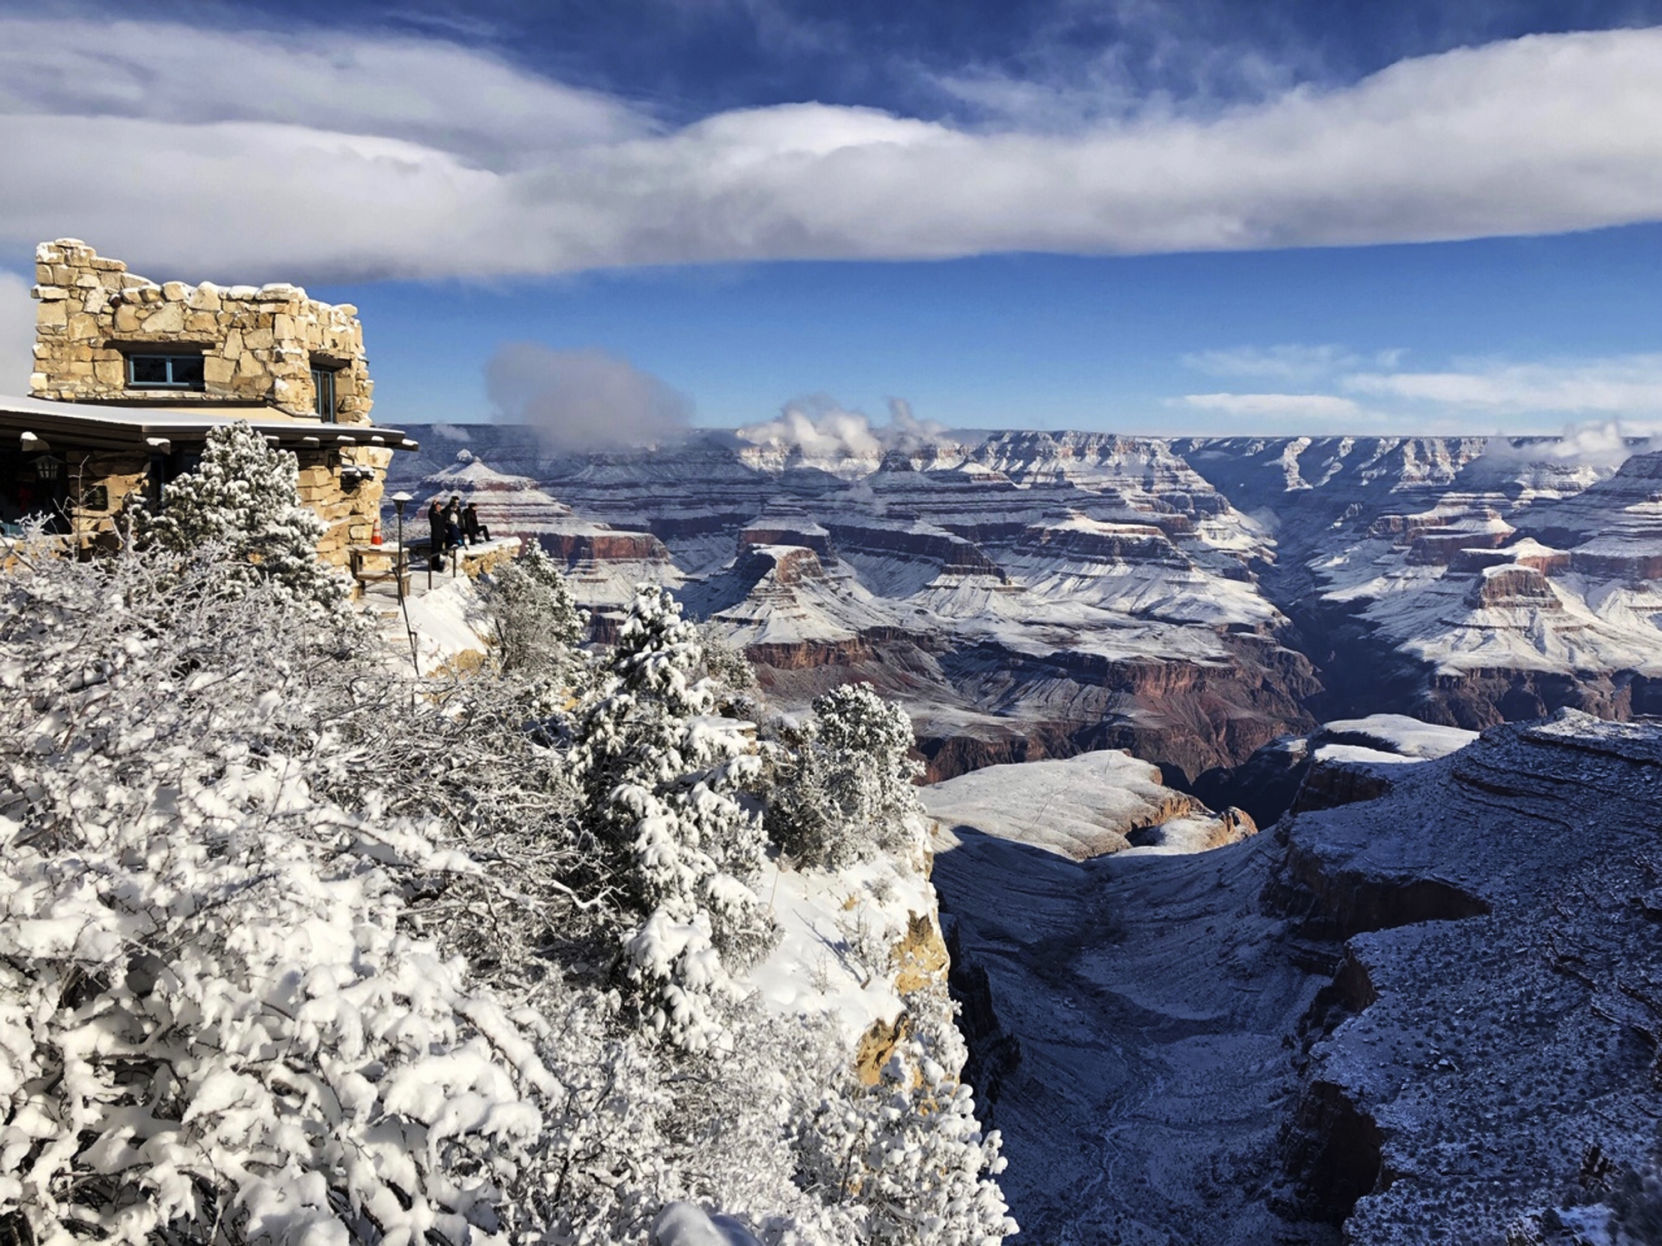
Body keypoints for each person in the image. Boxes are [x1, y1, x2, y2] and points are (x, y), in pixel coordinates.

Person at [426, 498, 445, 568]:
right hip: (435, 535)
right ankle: (433, 565)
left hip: (441, 535)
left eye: (440, 507)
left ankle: (437, 564)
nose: (439, 508)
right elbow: (430, 512)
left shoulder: (441, 515)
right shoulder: (433, 515)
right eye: (437, 507)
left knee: (439, 551)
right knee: (435, 551)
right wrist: (433, 505)